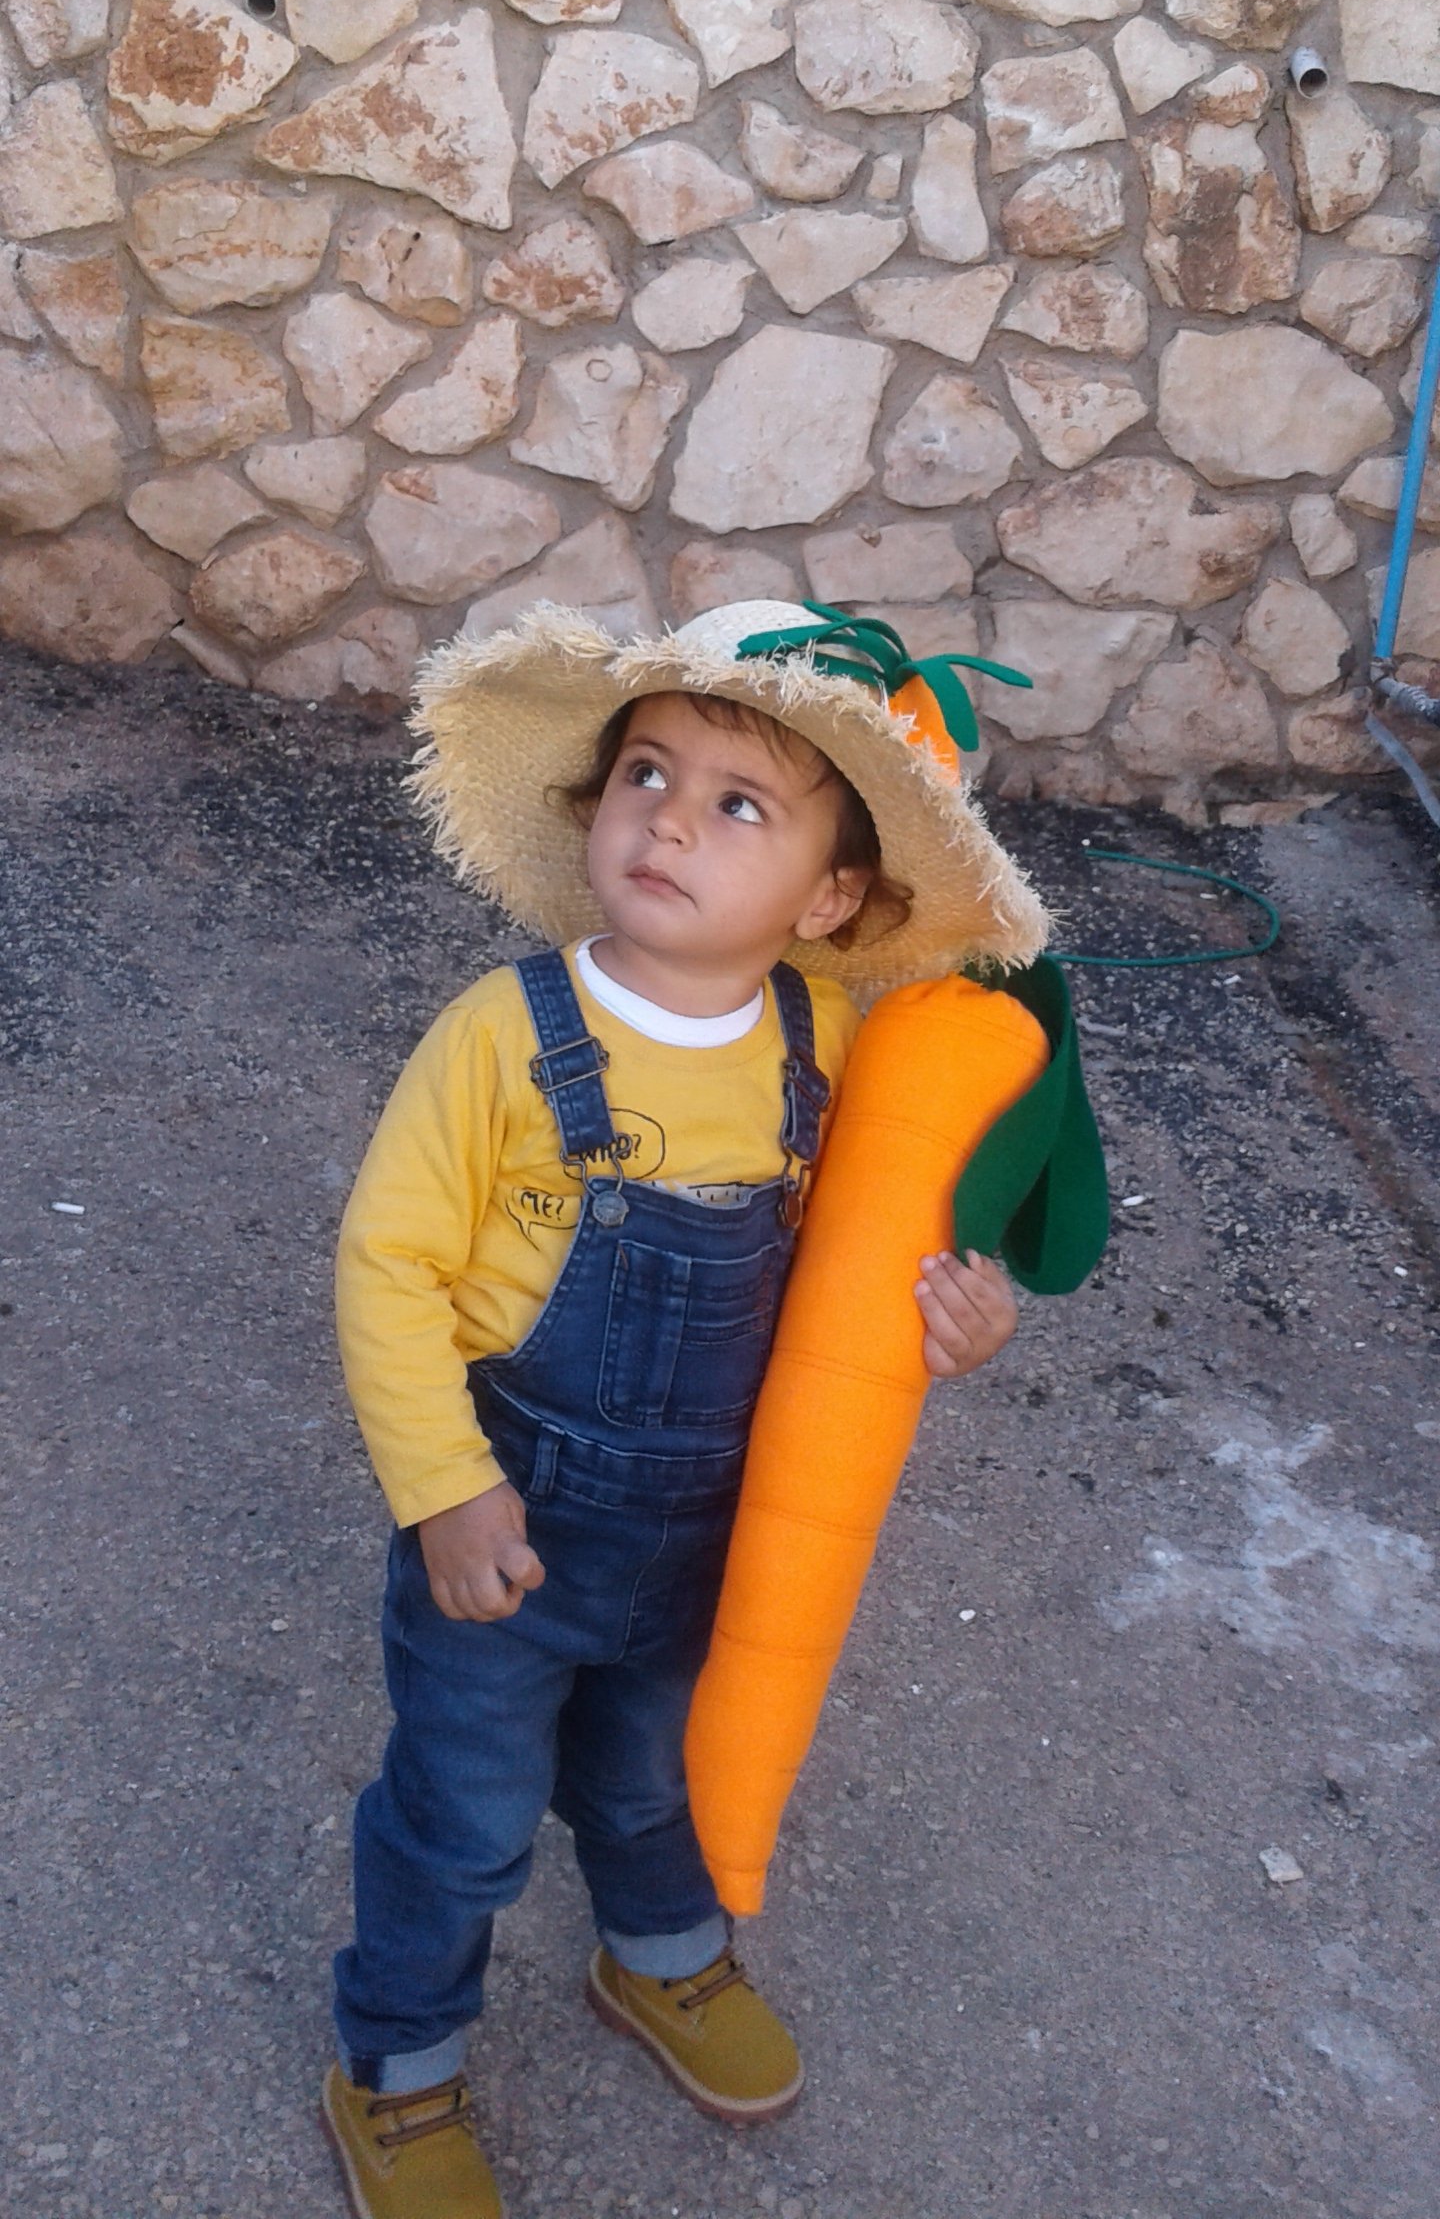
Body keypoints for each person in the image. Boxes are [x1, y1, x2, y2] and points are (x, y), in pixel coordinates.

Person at [321, 599, 1049, 2219]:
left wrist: (957, 1315)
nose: (669, 821)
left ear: (831, 895)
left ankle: (659, 1953)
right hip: (507, 1529)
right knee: (462, 1819)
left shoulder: (827, 1046)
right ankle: (398, 2062)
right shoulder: (504, 1037)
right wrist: (444, 1488)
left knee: (661, 1775)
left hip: (707, 1538)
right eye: (647, 772)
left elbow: (864, 1280)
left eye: (739, 804)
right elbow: (386, 1268)